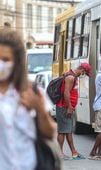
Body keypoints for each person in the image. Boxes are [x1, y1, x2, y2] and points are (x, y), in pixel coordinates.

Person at [0, 29, 56, 170]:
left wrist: (39, 108)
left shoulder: (32, 91)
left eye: (5, 60)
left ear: (17, 62)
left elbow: (50, 133)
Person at [56, 63, 91, 160]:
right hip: (64, 107)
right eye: (84, 73)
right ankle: (59, 153)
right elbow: (66, 92)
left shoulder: (72, 76)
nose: (83, 75)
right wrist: (69, 107)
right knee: (62, 131)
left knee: (67, 130)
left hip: (66, 107)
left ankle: (74, 152)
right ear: (82, 70)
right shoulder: (71, 77)